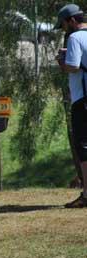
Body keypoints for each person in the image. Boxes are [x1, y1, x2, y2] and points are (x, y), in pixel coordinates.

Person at [55, 4, 87, 208]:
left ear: (72, 21)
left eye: (65, 24)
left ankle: (86, 195)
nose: (65, 28)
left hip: (83, 99)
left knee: (84, 147)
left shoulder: (75, 38)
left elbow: (73, 66)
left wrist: (61, 61)